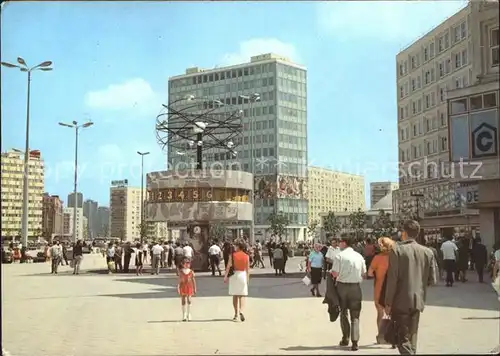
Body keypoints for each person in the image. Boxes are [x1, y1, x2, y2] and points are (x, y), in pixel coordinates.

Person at [384, 220, 437, 355]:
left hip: (400, 301)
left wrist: (388, 302)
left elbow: (392, 279)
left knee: (403, 339)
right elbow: (433, 279)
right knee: (412, 336)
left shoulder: (397, 251)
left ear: (404, 233)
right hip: (418, 300)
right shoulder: (427, 252)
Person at [331, 235, 366, 351]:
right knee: (355, 315)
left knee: (343, 312)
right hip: (356, 287)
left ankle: (345, 338)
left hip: (342, 286)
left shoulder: (339, 256)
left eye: (340, 242)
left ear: (344, 243)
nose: (338, 244)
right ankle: (355, 341)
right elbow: (364, 274)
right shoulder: (359, 256)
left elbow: (335, 274)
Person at [368, 237, 394, 344]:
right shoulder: (395, 257)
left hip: (379, 288)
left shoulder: (377, 258)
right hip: (393, 288)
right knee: (392, 313)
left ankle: (381, 336)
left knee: (380, 313)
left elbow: (369, 273)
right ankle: (392, 337)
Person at [224, 240, 250, 322]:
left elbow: (228, 266)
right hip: (242, 275)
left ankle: (235, 314)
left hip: (234, 275)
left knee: (235, 295)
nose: (234, 247)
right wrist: (247, 279)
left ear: (238, 246)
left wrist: (225, 277)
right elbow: (247, 269)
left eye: (235, 245)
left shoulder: (232, 255)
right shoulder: (246, 256)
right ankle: (241, 311)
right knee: (242, 295)